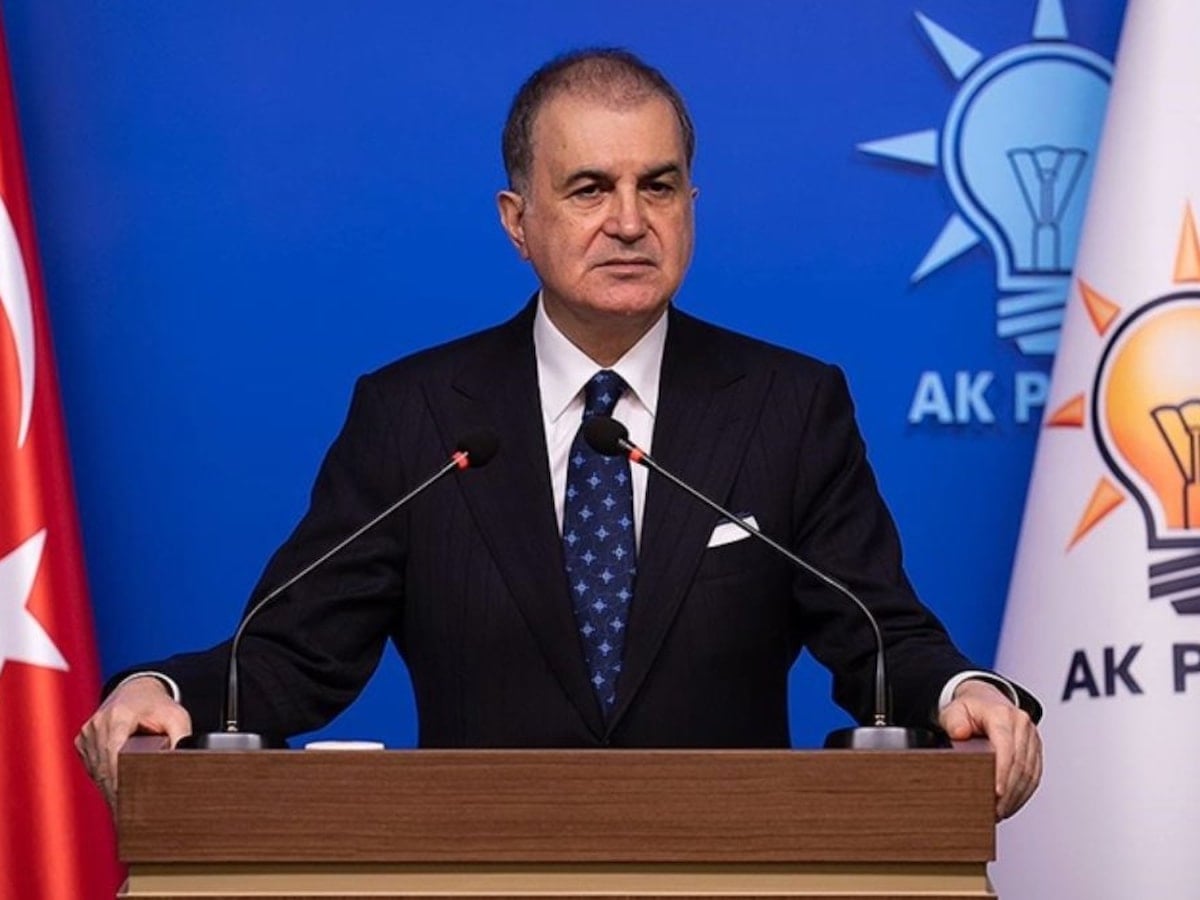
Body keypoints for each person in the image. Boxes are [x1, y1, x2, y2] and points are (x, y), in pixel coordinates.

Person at [77, 48, 1042, 819]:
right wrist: (169, 691)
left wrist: (959, 691)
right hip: (476, 871)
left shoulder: (788, 406)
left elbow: (877, 633)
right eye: (588, 189)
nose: (628, 221)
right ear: (518, 220)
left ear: (691, 207)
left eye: (658, 186)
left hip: (732, 865)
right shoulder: (416, 416)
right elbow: (292, 653)